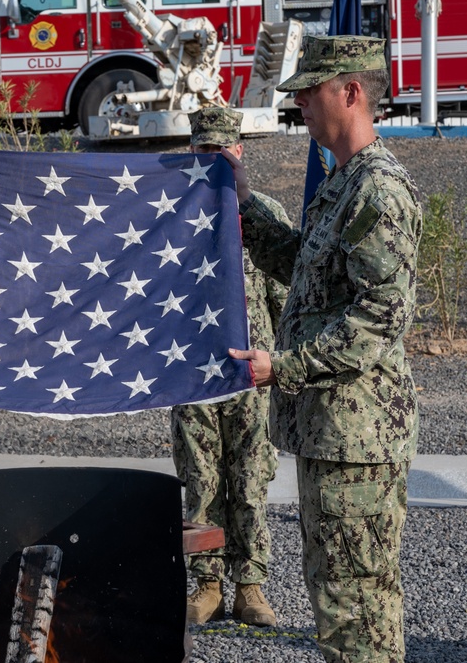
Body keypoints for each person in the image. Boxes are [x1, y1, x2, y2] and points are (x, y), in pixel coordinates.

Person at [223, 36, 422, 662]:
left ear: (352, 93)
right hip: (334, 434)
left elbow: (378, 319)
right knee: (341, 602)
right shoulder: (343, 184)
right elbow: (303, 270)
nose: (300, 104)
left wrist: (282, 367)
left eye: (310, 91)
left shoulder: (378, 191)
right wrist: (246, 203)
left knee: (355, 612)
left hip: (358, 439)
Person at [171, 107, 288, 628]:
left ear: (238, 152)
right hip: (192, 374)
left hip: (252, 376)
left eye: (222, 151)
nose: (213, 159)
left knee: (250, 479)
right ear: (191, 153)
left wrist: (287, 369)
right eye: (203, 151)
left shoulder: (262, 213)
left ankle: (251, 587)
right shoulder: (168, 219)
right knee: (201, 480)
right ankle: (208, 584)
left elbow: (287, 300)